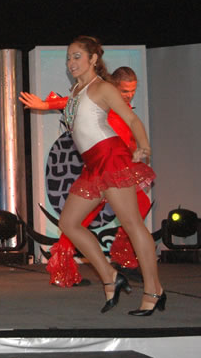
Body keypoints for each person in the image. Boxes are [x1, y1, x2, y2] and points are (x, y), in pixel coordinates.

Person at [37, 36, 163, 315]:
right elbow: (69, 112)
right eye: (69, 57)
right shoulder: (77, 90)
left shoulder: (102, 88)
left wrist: (143, 145)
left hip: (111, 159)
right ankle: (110, 275)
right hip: (93, 166)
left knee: (132, 224)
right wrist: (43, 105)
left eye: (77, 56)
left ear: (94, 59)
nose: (71, 63)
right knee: (69, 223)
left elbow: (130, 119)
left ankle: (154, 290)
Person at [20, 66, 151, 286]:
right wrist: (45, 105)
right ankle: (63, 271)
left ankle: (125, 259)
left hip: (121, 171)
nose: (129, 95)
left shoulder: (123, 108)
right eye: (125, 90)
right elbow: (70, 102)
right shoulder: (101, 100)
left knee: (141, 205)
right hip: (100, 172)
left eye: (133, 90)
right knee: (77, 222)